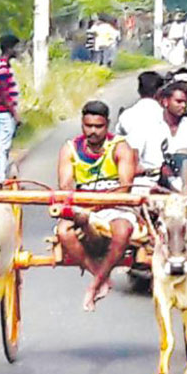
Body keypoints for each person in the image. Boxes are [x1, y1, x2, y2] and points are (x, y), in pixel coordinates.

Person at [57, 101, 139, 312]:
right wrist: (77, 204)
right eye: (88, 126)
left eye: (99, 127)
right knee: (63, 232)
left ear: (107, 125)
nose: (93, 131)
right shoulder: (70, 149)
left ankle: (93, 286)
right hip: (83, 205)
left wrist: (96, 206)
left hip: (116, 205)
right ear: (82, 124)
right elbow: (65, 186)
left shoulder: (120, 147)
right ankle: (100, 276)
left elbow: (125, 188)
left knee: (123, 230)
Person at [0, 34, 21, 183]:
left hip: (5, 111)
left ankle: (2, 173)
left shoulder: (4, 65)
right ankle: (0, 177)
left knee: (5, 145)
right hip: (4, 112)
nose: (18, 50)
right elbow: (3, 92)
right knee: (3, 145)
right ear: (9, 48)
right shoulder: (2, 66)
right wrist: (14, 113)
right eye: (16, 47)